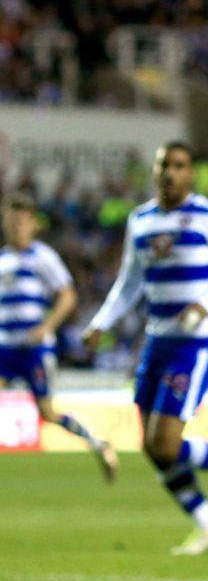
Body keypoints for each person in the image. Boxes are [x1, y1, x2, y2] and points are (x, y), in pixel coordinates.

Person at [83, 141, 208, 556]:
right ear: (154, 172)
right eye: (163, 165)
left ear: (191, 174)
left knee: (165, 442)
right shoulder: (141, 220)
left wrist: (206, 303)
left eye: (179, 166)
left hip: (197, 342)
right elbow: (130, 283)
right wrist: (100, 323)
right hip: (157, 340)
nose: (170, 173)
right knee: (151, 447)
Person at [0, 192, 118, 481]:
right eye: (12, 221)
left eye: (22, 221)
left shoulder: (43, 257)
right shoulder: (2, 259)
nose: (17, 226)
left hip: (34, 349)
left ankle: (99, 444)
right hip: (5, 346)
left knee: (48, 414)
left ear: (32, 224)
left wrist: (47, 326)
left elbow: (67, 295)